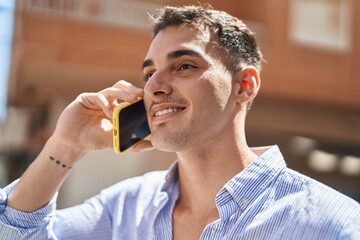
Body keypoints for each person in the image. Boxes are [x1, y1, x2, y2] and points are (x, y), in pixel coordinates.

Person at [0, 4, 359, 240]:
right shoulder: (126, 207)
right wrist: (65, 146)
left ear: (244, 85)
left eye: (184, 65)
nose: (154, 86)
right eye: (149, 71)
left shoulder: (333, 224)